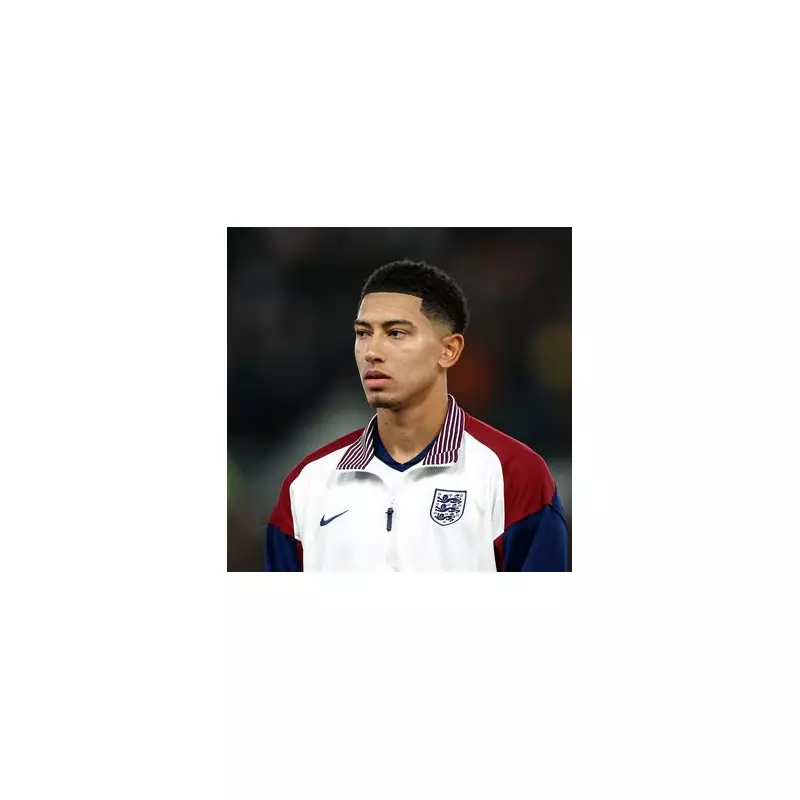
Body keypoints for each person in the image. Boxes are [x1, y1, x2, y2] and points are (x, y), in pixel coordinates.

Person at [265, 260, 568, 571]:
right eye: (363, 333)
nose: (372, 351)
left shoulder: (514, 476)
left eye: (396, 333)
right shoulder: (306, 485)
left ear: (448, 351)